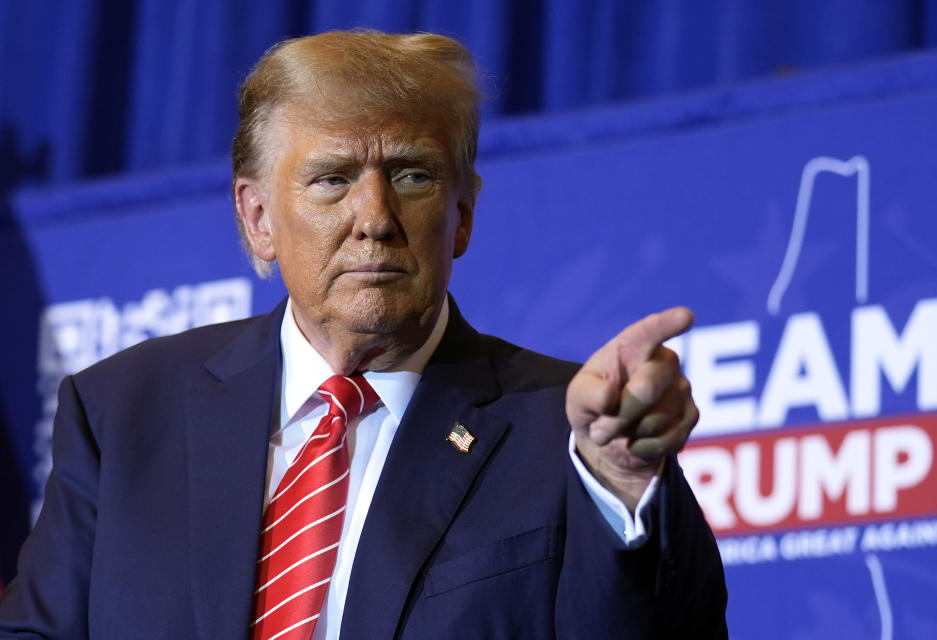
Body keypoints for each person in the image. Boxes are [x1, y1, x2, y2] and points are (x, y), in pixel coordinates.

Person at [0, 30, 726, 639]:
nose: (374, 216)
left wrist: (623, 480)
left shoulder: (565, 433)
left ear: (463, 215)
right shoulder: (123, 413)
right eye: (332, 180)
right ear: (257, 218)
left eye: (411, 175)